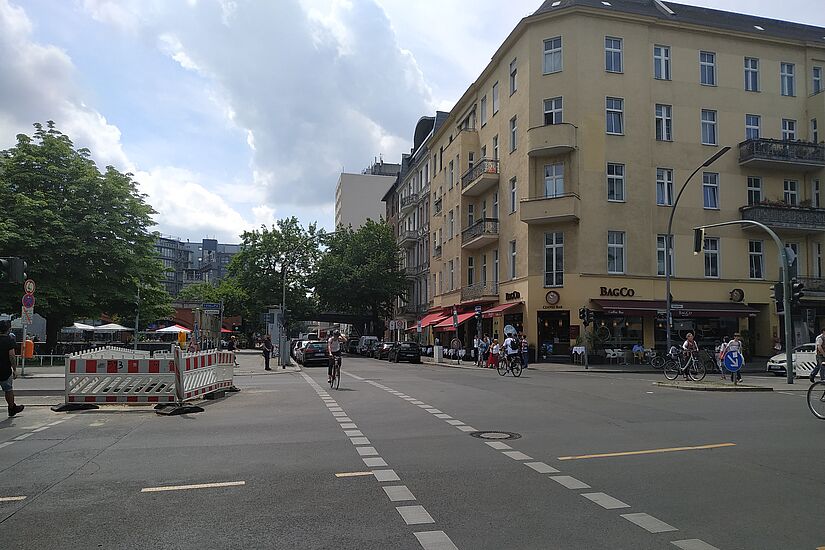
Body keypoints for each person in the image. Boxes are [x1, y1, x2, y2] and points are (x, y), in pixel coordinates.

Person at [0, 321, 24, 417]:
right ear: (8, 329)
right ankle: (12, 408)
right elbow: (12, 355)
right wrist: (14, 369)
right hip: (4, 370)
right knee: (8, 389)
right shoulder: (9, 340)